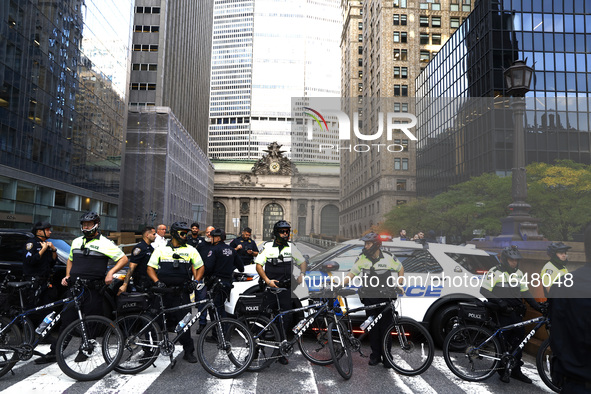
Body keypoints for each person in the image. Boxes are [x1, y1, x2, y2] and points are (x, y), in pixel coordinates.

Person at [35, 212, 129, 364]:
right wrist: (67, 275)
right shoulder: (77, 241)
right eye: (84, 224)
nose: (86, 226)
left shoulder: (105, 243)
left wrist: (111, 272)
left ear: (96, 224)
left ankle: (86, 350)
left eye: (89, 224)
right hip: (75, 287)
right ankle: (55, 352)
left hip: (94, 289)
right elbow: (71, 260)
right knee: (67, 320)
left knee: (91, 322)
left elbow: (123, 259)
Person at [479, 245, 542, 384]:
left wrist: (537, 307)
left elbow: (525, 292)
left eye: (516, 260)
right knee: (503, 343)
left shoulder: (519, 273)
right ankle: (502, 371)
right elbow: (484, 290)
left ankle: (516, 371)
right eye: (511, 260)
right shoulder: (494, 272)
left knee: (518, 343)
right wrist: (500, 302)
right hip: (502, 313)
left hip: (517, 314)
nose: (514, 263)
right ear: (505, 260)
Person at [342, 232, 404, 367]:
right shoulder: (362, 258)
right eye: (365, 243)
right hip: (370, 298)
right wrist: (341, 284)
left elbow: (400, 268)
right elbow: (352, 273)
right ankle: (375, 356)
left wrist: (399, 284)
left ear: (376, 245)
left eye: (368, 244)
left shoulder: (388, 257)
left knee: (386, 328)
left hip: (386, 298)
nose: (366, 246)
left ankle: (387, 357)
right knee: (373, 328)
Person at [147, 221, 204, 363]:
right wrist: (156, 282)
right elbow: (150, 268)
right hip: (163, 293)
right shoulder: (161, 249)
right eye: (182, 233)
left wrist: (196, 281)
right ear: (173, 234)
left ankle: (188, 352)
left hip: (181, 293)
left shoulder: (191, 250)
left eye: (187, 233)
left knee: (184, 324)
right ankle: (148, 351)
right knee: (156, 322)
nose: (186, 236)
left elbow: (200, 267)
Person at [255, 220, 307, 365]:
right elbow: (258, 265)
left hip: (286, 290)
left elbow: (302, 262)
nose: (285, 234)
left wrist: (302, 273)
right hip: (271, 289)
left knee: (285, 321)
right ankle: (255, 350)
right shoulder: (267, 247)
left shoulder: (292, 248)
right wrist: (266, 280)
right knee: (262, 320)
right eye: (282, 231)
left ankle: (280, 353)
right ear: (276, 233)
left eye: (287, 231)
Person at [549, 225, 591, 393]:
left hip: (574, 382)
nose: (564, 255)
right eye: (561, 253)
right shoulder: (553, 272)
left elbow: (557, 334)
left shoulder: (564, 282)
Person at [204, 228, 244, 339]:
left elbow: (208, 267)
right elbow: (241, 267)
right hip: (227, 283)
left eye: (212, 237)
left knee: (214, 309)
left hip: (215, 284)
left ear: (217, 238)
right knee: (222, 309)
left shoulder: (214, 249)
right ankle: (226, 333)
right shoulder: (232, 250)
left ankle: (217, 335)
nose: (210, 238)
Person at [23, 221, 58, 322]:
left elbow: (52, 263)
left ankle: (44, 334)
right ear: (39, 231)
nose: (50, 232)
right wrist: (42, 250)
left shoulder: (46, 244)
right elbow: (30, 261)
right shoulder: (31, 243)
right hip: (33, 283)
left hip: (45, 282)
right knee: (32, 309)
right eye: (47, 230)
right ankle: (29, 333)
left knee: (47, 310)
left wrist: (53, 250)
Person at [119, 226, 156, 294]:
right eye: (154, 234)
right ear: (147, 235)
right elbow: (131, 267)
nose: (155, 236)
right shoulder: (139, 248)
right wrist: (125, 284)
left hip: (150, 282)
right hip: (141, 282)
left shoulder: (151, 248)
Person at [195, 225, 214, 333]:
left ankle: (214, 324)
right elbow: (194, 261)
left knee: (213, 303)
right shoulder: (201, 246)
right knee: (202, 301)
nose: (208, 234)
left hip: (214, 278)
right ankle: (202, 324)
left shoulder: (216, 245)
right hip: (202, 278)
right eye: (207, 232)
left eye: (210, 232)